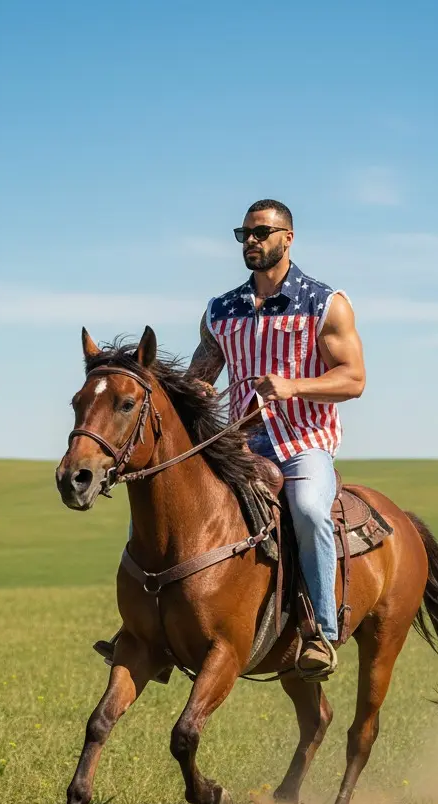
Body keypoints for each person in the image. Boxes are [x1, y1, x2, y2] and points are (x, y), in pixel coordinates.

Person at [95, 199, 366, 676]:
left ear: (288, 238)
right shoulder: (221, 310)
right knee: (167, 501)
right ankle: (144, 632)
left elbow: (354, 379)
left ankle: (319, 632)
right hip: (240, 443)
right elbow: (205, 372)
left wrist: (294, 386)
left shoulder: (325, 304)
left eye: (262, 233)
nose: (253, 242)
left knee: (306, 511)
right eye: (245, 235)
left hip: (304, 442)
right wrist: (198, 386)